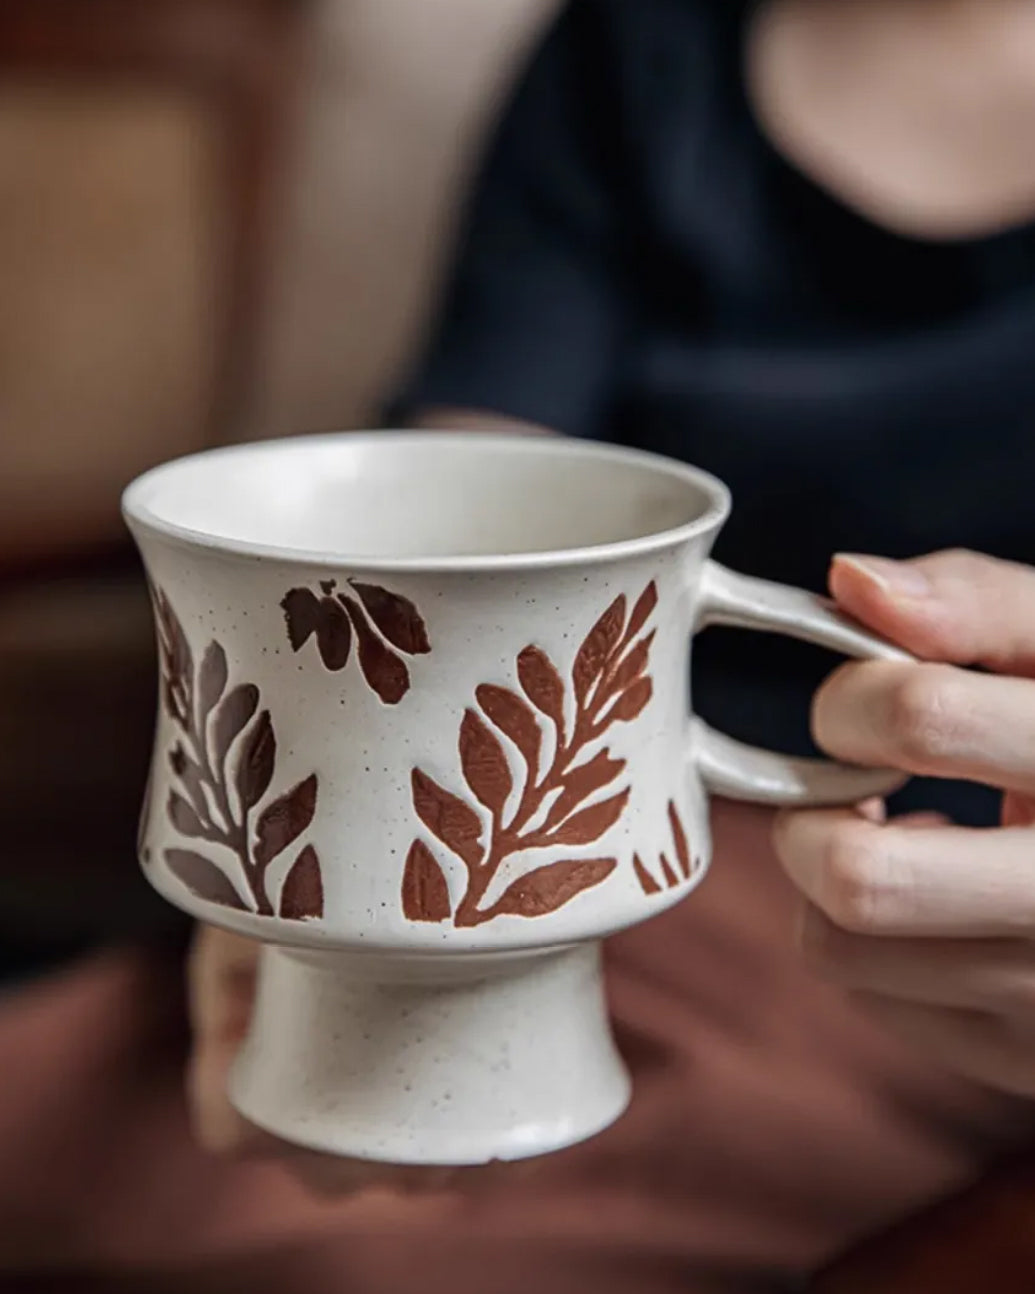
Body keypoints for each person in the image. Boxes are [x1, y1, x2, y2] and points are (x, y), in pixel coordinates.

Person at [166, 0, 1035, 1288]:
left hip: (920, 946)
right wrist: (320, 829)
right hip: (532, 838)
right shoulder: (639, 49)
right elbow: (462, 489)